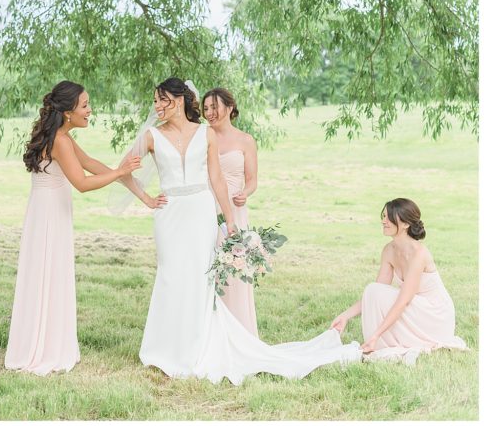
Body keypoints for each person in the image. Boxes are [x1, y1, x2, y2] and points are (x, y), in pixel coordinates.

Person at [120, 77, 361, 384]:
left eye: (161, 100)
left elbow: (218, 180)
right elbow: (123, 171)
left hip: (200, 212)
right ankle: (164, 349)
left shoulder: (205, 134)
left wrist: (231, 221)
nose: (156, 107)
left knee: (199, 278)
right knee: (170, 275)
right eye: (154, 101)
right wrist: (147, 199)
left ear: (179, 100)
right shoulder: (152, 136)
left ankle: (198, 346)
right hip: (168, 215)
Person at [4, 81, 139, 375]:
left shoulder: (61, 135)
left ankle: (45, 340)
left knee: (47, 274)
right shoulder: (60, 141)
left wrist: (132, 186)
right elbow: (82, 183)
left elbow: (89, 163)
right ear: (68, 112)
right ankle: (46, 349)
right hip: (50, 215)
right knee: (48, 272)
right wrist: (119, 172)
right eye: (85, 105)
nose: (90, 111)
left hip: (46, 212)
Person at [330, 198, 467, 364]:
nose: (383, 221)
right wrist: (345, 316)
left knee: (377, 292)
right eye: (383, 216)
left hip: (434, 314)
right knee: (373, 290)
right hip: (415, 307)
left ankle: (379, 341)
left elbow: (404, 301)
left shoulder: (419, 253)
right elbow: (374, 294)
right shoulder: (389, 250)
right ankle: (381, 341)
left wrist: (376, 335)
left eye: (388, 218)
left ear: (405, 224)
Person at [203, 87, 259, 336]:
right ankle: (210, 329)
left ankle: (238, 329)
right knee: (208, 265)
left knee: (234, 267)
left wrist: (245, 193)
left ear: (229, 107)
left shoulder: (246, 141)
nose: (209, 113)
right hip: (207, 205)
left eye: (214, 107)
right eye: (205, 109)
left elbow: (252, 179)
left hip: (235, 209)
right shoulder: (203, 137)